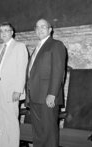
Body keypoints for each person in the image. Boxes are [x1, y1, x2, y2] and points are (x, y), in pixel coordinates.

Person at [26, 19, 66, 147]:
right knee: (38, 133)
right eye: (37, 27)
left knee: (48, 133)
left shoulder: (56, 45)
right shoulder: (37, 47)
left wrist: (52, 94)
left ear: (50, 29)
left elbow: (58, 71)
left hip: (47, 96)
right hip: (34, 96)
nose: (40, 29)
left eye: (43, 27)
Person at [0, 22, 28, 147]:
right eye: (1, 31)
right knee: (2, 124)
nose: (3, 33)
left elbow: (22, 69)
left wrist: (18, 90)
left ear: (12, 32)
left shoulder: (19, 46)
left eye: (6, 30)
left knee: (12, 123)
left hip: (11, 90)